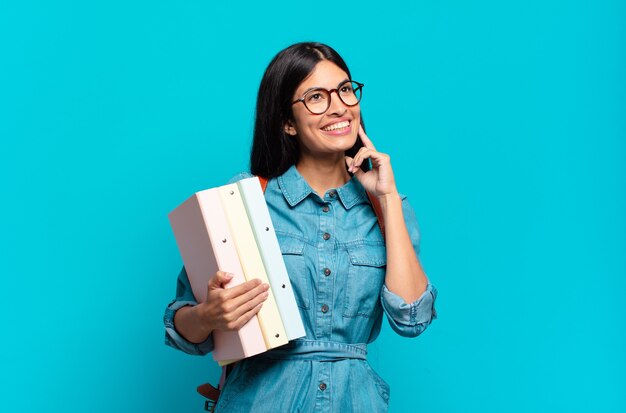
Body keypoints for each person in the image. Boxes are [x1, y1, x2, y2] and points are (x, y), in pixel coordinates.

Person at [163, 42, 438, 412]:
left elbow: (413, 318)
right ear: (287, 122)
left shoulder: (387, 206)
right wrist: (208, 315)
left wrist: (387, 199)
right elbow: (182, 327)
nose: (339, 106)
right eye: (316, 97)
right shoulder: (246, 200)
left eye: (344, 90)